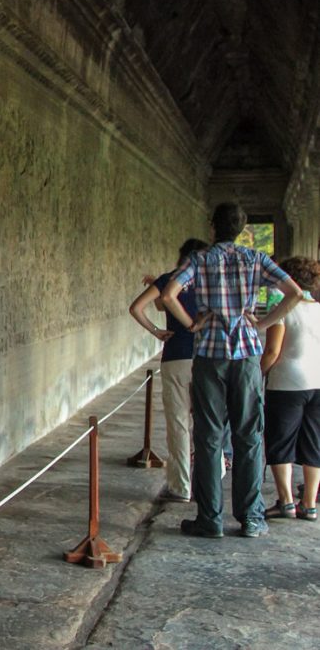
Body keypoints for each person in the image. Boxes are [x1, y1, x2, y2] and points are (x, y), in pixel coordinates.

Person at [160, 202, 304, 538]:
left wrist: (192, 324)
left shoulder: (200, 259)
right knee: (249, 436)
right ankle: (251, 517)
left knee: (208, 435)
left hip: (209, 355)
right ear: (241, 227)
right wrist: (263, 323)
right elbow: (294, 293)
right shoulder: (256, 259)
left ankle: (210, 518)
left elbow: (168, 295)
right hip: (246, 355)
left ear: (213, 226)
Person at [129, 238, 209, 502]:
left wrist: (156, 331)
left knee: (179, 424)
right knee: (209, 422)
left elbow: (137, 308)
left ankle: (181, 487)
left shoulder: (168, 280)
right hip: (207, 357)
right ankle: (211, 483)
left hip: (176, 356)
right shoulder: (212, 281)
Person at [259, 257, 320, 522]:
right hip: (317, 381)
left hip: (287, 383)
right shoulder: (318, 309)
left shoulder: (282, 310)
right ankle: (309, 504)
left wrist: (257, 373)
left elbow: (272, 351)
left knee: (280, 440)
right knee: (314, 443)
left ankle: (285, 502)